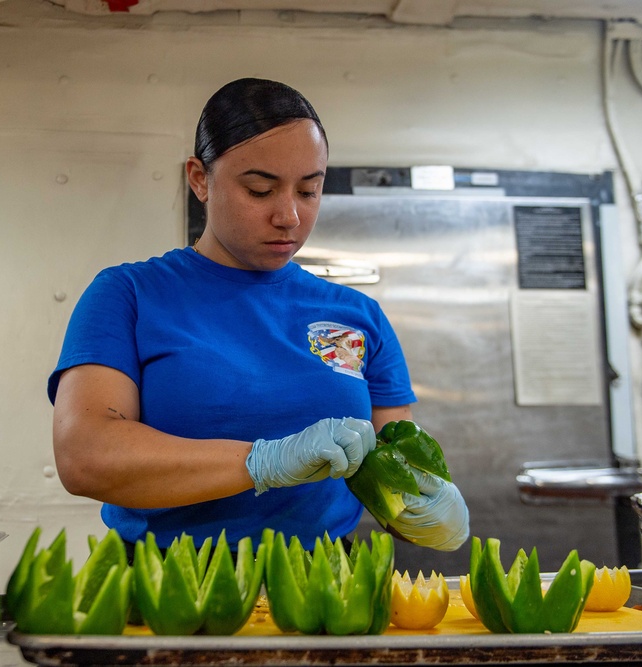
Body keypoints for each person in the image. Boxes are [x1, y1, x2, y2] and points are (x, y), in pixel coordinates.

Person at [48, 78, 468, 555]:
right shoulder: (130, 295)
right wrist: (263, 462)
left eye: (309, 191)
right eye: (260, 189)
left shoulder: (358, 316)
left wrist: (430, 511)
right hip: (172, 589)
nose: (288, 215)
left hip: (328, 592)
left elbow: (394, 475)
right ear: (199, 178)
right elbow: (84, 455)